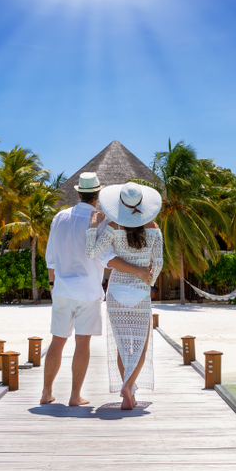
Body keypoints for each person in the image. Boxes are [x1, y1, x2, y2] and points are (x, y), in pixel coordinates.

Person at [41, 173, 152, 407]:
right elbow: (107, 258)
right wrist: (139, 271)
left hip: (61, 289)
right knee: (82, 343)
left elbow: (50, 258)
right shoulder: (100, 220)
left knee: (57, 341)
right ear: (98, 195)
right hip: (89, 291)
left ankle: (46, 392)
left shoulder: (59, 217)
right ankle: (74, 396)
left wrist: (53, 286)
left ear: (78, 192)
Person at [86, 182, 163, 409]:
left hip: (117, 291)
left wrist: (93, 226)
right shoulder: (154, 228)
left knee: (122, 345)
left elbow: (91, 252)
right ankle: (129, 387)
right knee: (141, 344)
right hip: (140, 292)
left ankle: (127, 388)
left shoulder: (113, 226)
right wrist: (150, 281)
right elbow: (157, 263)